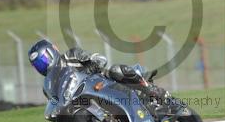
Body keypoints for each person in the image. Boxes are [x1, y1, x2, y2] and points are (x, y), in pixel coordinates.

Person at [28, 39, 171, 117]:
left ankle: (152, 90)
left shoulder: (71, 55)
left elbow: (98, 58)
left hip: (104, 83)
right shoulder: (47, 87)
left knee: (116, 70)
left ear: (52, 52)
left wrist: (92, 65)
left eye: (43, 60)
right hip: (84, 103)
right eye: (38, 64)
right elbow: (56, 103)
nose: (42, 65)